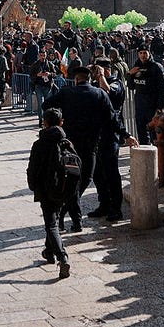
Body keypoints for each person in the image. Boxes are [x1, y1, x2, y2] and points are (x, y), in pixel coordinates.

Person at [43, 67, 118, 232]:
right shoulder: (99, 94)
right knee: (84, 179)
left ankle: (65, 213)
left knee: (72, 181)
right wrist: (124, 135)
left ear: (76, 79)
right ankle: (71, 217)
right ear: (89, 79)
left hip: (70, 146)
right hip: (91, 144)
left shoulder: (66, 93)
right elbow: (112, 119)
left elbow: (46, 105)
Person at [26, 107, 74, 280]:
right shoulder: (66, 142)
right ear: (61, 123)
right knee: (53, 218)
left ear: (44, 123)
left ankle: (62, 257)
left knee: (51, 224)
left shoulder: (39, 144)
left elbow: (32, 169)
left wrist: (33, 186)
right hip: (63, 189)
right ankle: (49, 252)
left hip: (46, 189)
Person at [89, 59, 138, 222]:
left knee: (111, 173)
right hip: (97, 133)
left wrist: (102, 76)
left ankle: (116, 208)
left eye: (101, 70)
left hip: (111, 132)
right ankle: (103, 204)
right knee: (98, 173)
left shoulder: (116, 83)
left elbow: (108, 92)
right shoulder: (96, 83)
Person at [127, 47, 164, 144]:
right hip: (140, 105)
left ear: (149, 53)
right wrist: (129, 74)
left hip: (152, 105)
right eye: (140, 53)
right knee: (142, 133)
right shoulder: (136, 67)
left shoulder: (156, 67)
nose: (143, 55)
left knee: (155, 135)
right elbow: (131, 86)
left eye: (145, 53)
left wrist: (160, 107)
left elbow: (163, 89)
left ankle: (156, 156)